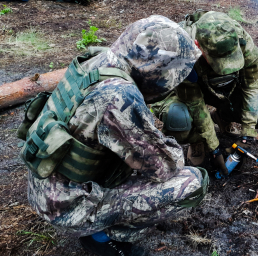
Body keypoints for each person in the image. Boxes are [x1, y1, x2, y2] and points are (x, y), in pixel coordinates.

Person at [17, 15, 206, 256]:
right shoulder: (119, 96)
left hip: (44, 186)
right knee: (191, 182)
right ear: (154, 68)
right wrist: (167, 142)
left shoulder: (96, 61)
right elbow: (166, 166)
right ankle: (104, 237)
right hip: (66, 207)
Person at [150, 11, 258, 176]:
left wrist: (248, 133)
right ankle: (197, 140)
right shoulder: (181, 53)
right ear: (198, 45)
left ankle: (222, 117)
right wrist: (214, 147)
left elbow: (251, 86)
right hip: (186, 92)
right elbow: (195, 104)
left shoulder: (240, 40)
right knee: (179, 117)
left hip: (222, 90)